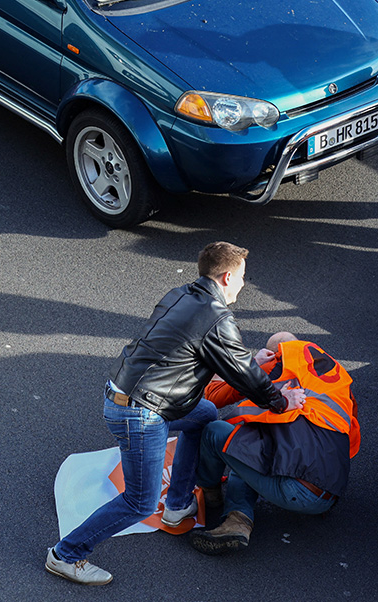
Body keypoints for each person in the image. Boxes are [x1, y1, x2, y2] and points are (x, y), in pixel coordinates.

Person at [45, 242, 306, 586]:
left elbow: (197, 356)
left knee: (205, 413)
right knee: (139, 502)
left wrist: (244, 365)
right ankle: (66, 555)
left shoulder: (182, 295)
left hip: (128, 394)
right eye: (243, 277)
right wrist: (282, 401)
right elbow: (243, 372)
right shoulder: (217, 317)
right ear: (227, 276)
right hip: (141, 414)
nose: (245, 283)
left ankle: (178, 505)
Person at [188, 336, 360, 554]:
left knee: (215, 432)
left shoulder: (278, 363)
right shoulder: (338, 378)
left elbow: (211, 396)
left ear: (276, 352)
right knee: (245, 447)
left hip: (296, 488)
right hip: (330, 491)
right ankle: (237, 520)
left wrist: (252, 363)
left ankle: (210, 493)